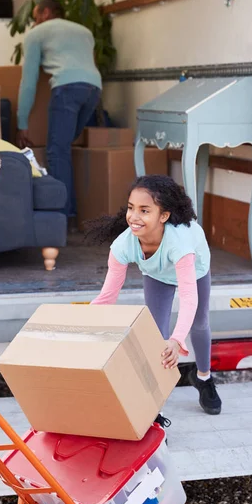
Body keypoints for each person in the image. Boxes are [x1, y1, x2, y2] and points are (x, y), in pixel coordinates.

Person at [88, 174, 222, 415]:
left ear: (164, 216)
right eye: (131, 208)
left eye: (144, 210)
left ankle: (203, 377)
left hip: (195, 270)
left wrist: (177, 339)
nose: (134, 217)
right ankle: (155, 409)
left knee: (199, 323)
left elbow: (189, 299)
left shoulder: (180, 244)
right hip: (157, 275)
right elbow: (107, 298)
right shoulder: (122, 246)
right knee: (156, 336)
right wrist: (81, 324)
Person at [16, 0, 102, 218]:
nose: (34, 22)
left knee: (57, 151)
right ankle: (70, 209)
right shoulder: (84, 31)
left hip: (67, 89)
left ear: (45, 13)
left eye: (35, 17)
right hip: (94, 90)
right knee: (64, 148)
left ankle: (63, 215)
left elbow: (29, 80)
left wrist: (22, 122)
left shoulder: (37, 34)